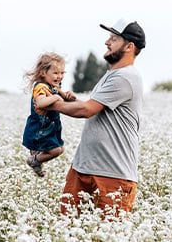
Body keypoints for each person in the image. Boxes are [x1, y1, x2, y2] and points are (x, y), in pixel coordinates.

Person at [47, 18, 146, 217]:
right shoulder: (112, 75)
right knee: (68, 231)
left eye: (114, 38)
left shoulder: (126, 77)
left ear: (129, 46)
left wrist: (50, 103)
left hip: (113, 176)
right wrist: (68, 99)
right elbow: (93, 107)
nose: (107, 42)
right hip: (83, 170)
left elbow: (87, 110)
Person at [22, 52, 76, 177]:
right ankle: (34, 160)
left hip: (49, 128)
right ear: (43, 73)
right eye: (56, 73)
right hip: (39, 130)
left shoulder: (53, 86)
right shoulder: (40, 87)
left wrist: (67, 96)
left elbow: (62, 96)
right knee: (56, 150)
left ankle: (36, 159)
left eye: (62, 73)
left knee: (60, 149)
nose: (60, 76)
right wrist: (56, 97)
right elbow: (41, 103)